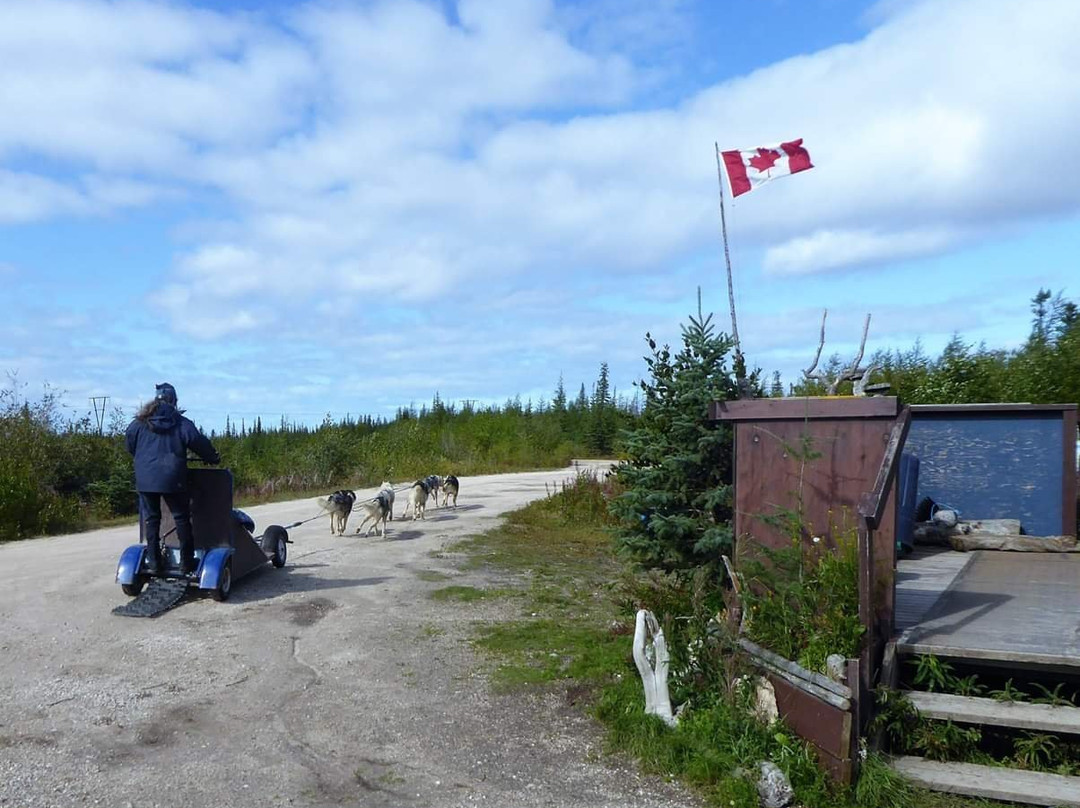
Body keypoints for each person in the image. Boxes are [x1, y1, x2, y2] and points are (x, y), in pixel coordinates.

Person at [125, 383, 220, 576]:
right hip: (172, 478)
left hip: (145, 480)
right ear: (174, 401)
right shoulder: (180, 422)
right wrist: (212, 457)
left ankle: (153, 562)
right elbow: (197, 441)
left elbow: (130, 445)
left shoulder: (139, 423)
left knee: (152, 520)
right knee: (181, 518)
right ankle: (186, 563)